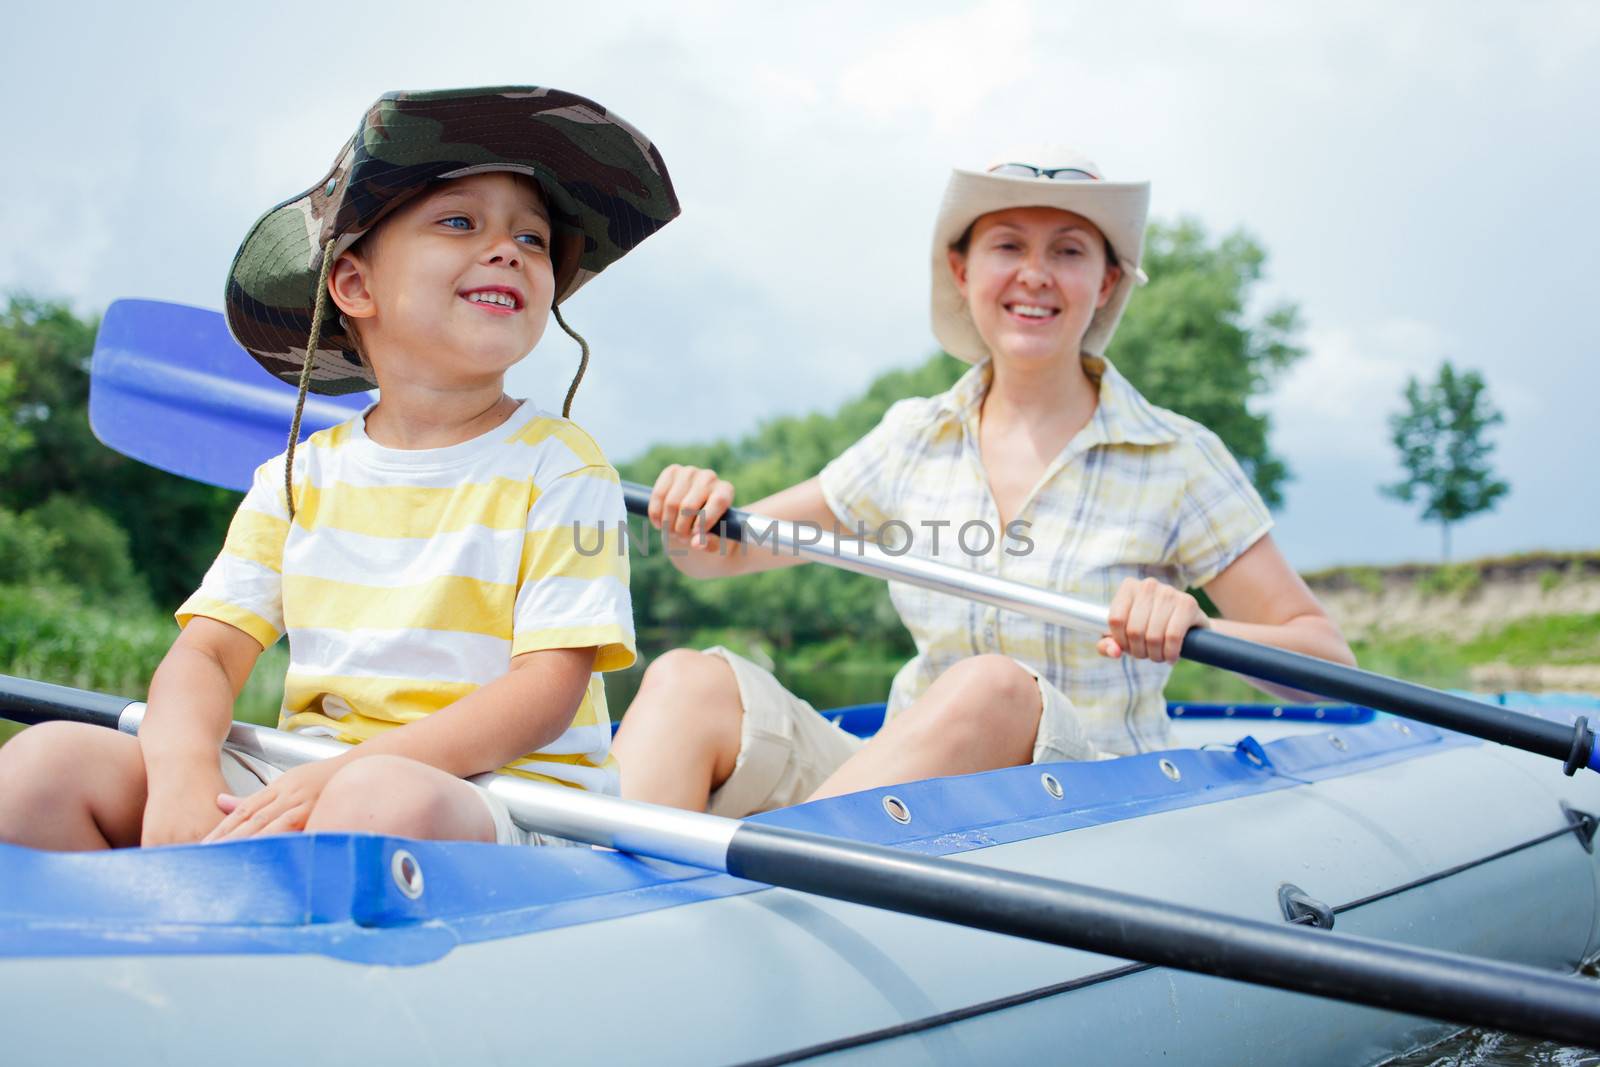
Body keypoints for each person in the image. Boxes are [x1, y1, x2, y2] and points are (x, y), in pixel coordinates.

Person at [0, 87, 679, 850]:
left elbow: (545, 692)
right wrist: (184, 773)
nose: (510, 250)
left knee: (377, 798)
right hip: (311, 777)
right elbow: (207, 653)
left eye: (534, 238)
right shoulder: (297, 476)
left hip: (507, 805)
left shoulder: (561, 464)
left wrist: (346, 775)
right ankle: (145, 951)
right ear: (355, 285)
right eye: (460, 221)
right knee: (40, 768)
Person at [611, 149, 1355, 816]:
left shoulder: (1178, 456)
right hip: (909, 777)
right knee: (686, 678)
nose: (1035, 273)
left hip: (1089, 793)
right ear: (963, 272)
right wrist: (692, 516)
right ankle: (616, 918)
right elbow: (721, 554)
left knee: (993, 686)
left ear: (1108, 283)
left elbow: (1325, 664)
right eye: (1008, 246)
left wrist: (1197, 626)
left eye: (1068, 250)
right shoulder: (912, 435)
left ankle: (755, 889)